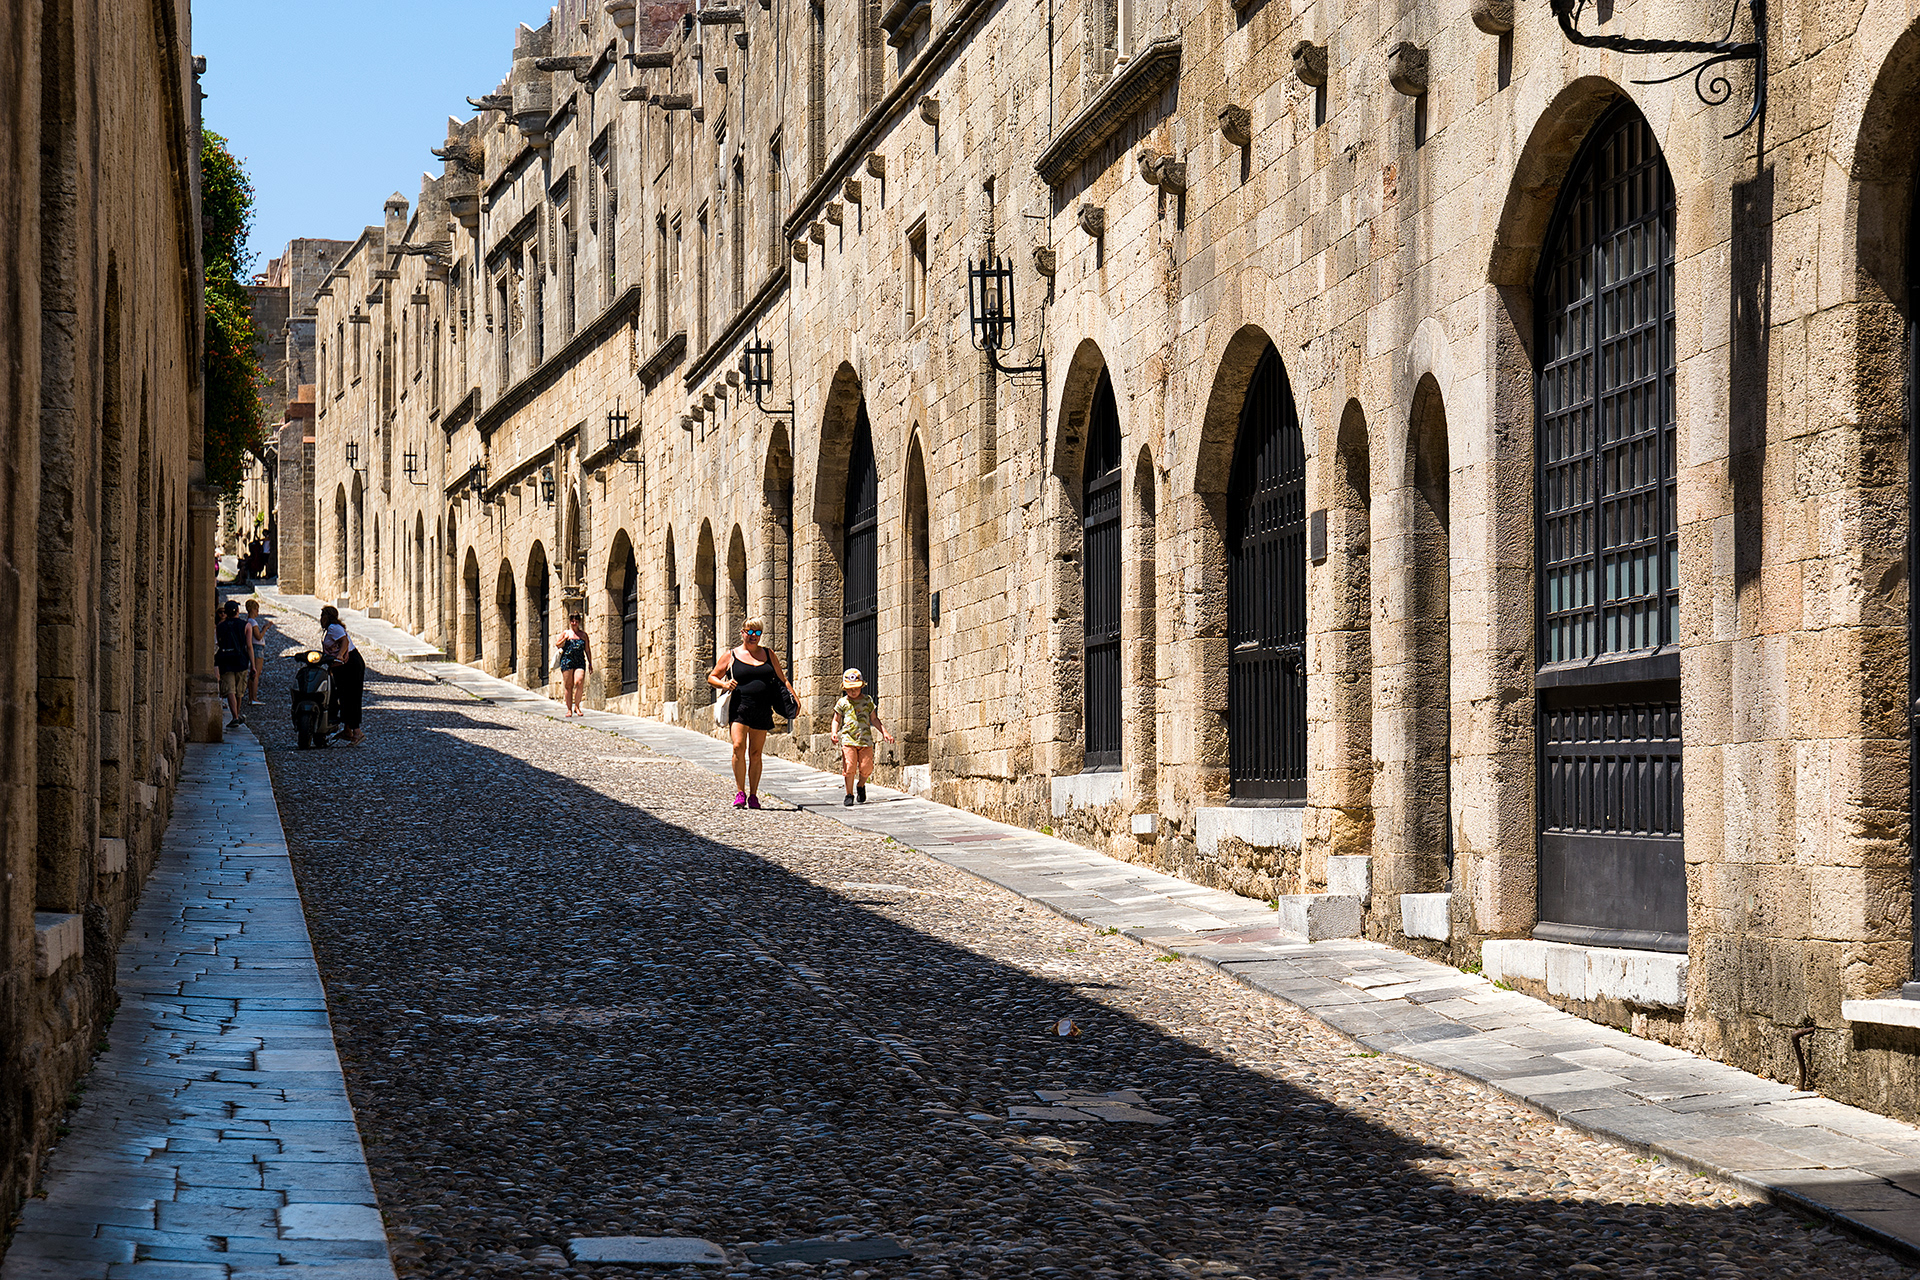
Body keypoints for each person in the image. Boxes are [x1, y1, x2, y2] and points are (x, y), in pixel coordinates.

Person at [708, 618, 796, 810]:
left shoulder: (768, 654)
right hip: (739, 706)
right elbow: (712, 676)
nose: (753, 636)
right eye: (750, 632)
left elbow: (782, 679)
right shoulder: (731, 655)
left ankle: (754, 795)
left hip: (762, 708)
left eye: (757, 633)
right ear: (742, 632)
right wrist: (724, 684)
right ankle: (740, 792)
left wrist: (794, 698)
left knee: (755, 753)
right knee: (738, 746)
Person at [829, 668, 893, 807]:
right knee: (849, 766)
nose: (853, 691)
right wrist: (834, 732)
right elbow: (836, 719)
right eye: (849, 689)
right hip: (848, 740)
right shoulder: (842, 702)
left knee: (867, 767)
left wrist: (885, 732)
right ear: (845, 688)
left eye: (856, 688)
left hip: (865, 741)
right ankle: (849, 794)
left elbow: (874, 719)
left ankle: (861, 785)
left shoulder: (867, 701)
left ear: (861, 686)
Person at [319, 604, 366, 745]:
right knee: (343, 697)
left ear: (328, 617)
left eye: (322, 616)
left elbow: (344, 641)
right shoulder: (330, 630)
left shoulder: (334, 628)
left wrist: (340, 655)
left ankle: (357, 732)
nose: (320, 619)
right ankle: (347, 730)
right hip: (342, 666)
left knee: (351, 697)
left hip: (351, 664)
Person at [214, 600, 252, 729]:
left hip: (225, 660)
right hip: (241, 660)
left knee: (230, 690)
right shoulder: (246, 625)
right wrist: (253, 665)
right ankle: (237, 714)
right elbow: (249, 646)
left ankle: (235, 716)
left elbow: (219, 643)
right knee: (239, 691)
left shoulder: (220, 626)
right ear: (237, 611)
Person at [554, 613, 592, 716]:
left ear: (579, 622)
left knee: (579, 682)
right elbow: (557, 645)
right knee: (568, 686)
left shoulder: (583, 635)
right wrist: (564, 639)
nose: (574, 623)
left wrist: (590, 663)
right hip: (567, 661)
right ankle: (569, 709)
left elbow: (587, 650)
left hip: (579, 661)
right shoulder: (566, 633)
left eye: (576, 621)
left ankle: (577, 706)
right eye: (572, 621)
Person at [244, 598, 275, 706]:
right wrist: (265, 628)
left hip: (255, 647)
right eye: (256, 609)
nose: (258, 612)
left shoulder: (249, 621)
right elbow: (258, 636)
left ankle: (251, 697)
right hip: (257, 648)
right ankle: (254, 698)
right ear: (252, 609)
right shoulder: (252, 622)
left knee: (253, 673)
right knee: (256, 673)